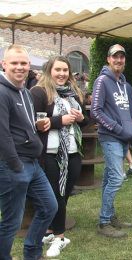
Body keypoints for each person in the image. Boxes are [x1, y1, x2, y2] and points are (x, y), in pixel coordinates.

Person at [0, 44, 58, 260]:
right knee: (11, 222)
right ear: (4, 64)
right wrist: (15, 166)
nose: (20, 67)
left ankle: (32, 252)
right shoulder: (1, 92)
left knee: (49, 208)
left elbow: (19, 126)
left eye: (23, 63)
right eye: (14, 63)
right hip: (13, 165)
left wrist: (36, 126)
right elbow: (2, 135)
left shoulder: (24, 91)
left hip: (32, 164)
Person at [30, 55, 88, 257]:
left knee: (64, 195)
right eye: (58, 70)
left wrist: (81, 118)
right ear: (49, 71)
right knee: (56, 197)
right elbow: (33, 122)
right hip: (51, 154)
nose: (62, 74)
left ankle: (48, 231)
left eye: (65, 70)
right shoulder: (39, 92)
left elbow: (84, 121)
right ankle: (60, 237)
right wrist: (59, 120)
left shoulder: (74, 93)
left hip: (73, 153)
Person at [91, 44, 132, 238]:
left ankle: (109, 216)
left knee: (110, 178)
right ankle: (103, 222)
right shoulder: (102, 81)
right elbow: (95, 111)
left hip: (123, 138)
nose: (119, 60)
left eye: (122, 57)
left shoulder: (125, 85)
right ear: (108, 59)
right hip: (110, 136)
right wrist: (118, 128)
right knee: (118, 177)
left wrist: (129, 128)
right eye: (115, 57)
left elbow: (128, 112)